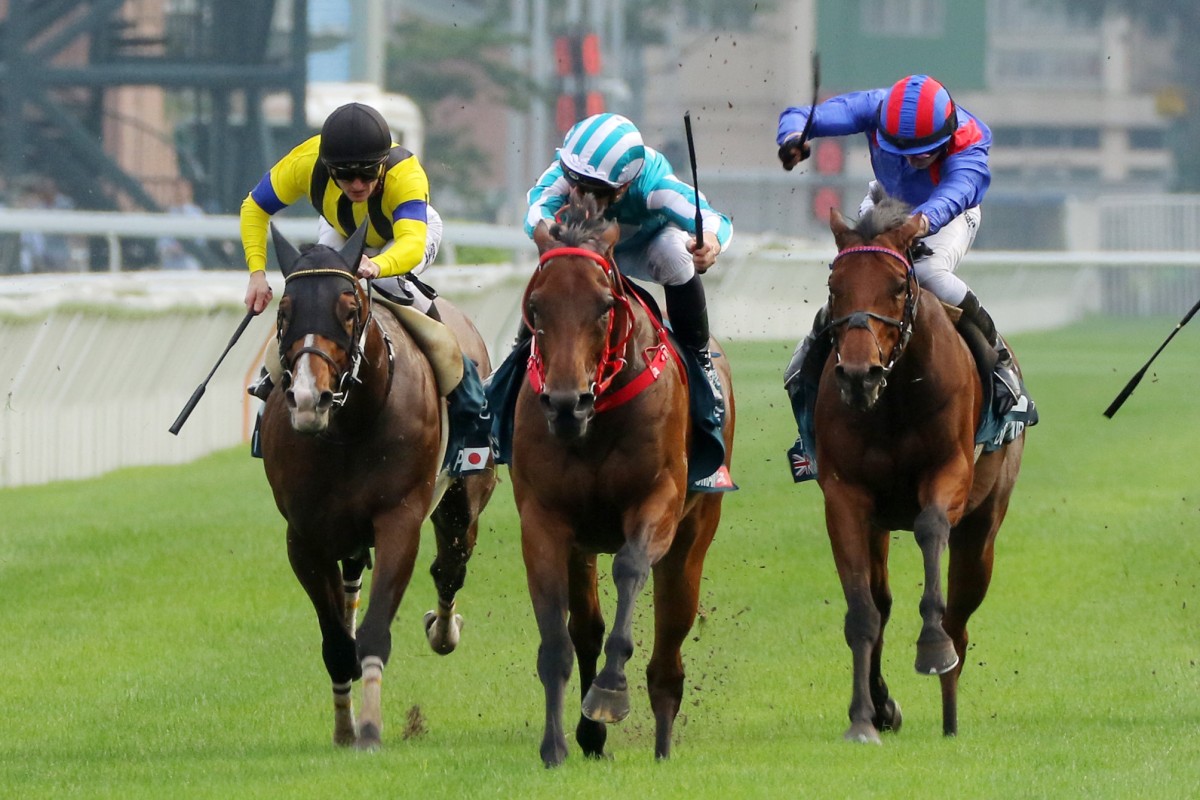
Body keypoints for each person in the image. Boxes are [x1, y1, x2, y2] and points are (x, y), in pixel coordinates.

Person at [776, 74, 1029, 480]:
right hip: (886, 201)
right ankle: (808, 393)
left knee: (927, 272)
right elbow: (804, 116)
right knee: (858, 278)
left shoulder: (969, 141)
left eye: (922, 154)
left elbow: (958, 191)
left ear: (944, 137)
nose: (911, 161)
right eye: (902, 152)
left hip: (946, 213)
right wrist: (793, 137)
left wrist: (919, 225)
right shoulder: (876, 107)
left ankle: (1000, 364)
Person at [238, 101, 488, 471]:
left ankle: (468, 401)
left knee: (391, 285)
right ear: (327, 167)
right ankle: (270, 394)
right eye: (345, 175)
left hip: (403, 236)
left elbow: (410, 244)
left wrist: (377, 264)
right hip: (342, 230)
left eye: (368, 173)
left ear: (382, 164)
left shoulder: (405, 175)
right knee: (315, 299)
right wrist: (257, 274)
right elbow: (254, 208)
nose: (358, 184)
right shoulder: (305, 162)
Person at [524, 112, 734, 409]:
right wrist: (550, 236)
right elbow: (537, 209)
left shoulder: (654, 185)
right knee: (556, 267)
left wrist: (709, 243)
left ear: (623, 187)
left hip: (646, 249)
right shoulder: (571, 169)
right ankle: (514, 363)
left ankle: (700, 362)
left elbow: (714, 219)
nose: (577, 194)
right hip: (590, 248)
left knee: (675, 254)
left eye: (592, 190)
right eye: (573, 181)